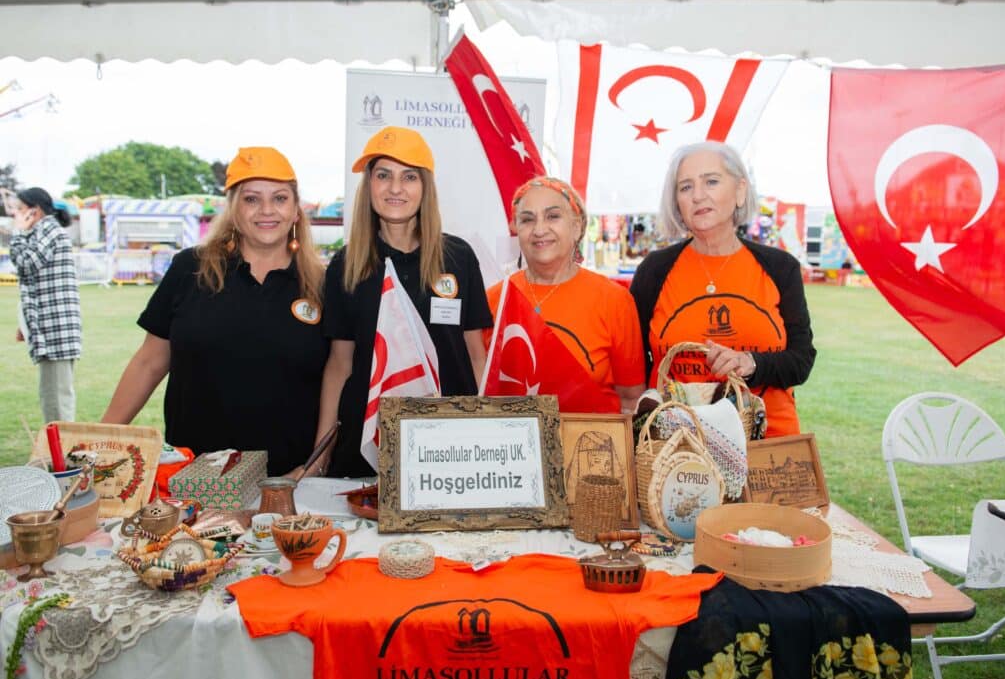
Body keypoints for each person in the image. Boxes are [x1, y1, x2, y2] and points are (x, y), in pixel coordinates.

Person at [102, 147, 328, 477]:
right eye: (251, 199)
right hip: (196, 475)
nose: (267, 210)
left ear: (296, 211)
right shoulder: (190, 269)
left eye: (280, 198)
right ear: (234, 210)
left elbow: (337, 377)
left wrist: (314, 465)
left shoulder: (321, 285)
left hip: (286, 482)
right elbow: (149, 361)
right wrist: (103, 439)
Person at [318, 126, 492, 477]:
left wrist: (485, 433)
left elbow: (476, 354)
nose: (395, 188)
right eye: (383, 175)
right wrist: (320, 452)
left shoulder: (457, 256)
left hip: (448, 445)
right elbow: (339, 365)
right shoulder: (346, 265)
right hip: (366, 445)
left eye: (409, 177)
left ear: (425, 187)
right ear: (369, 186)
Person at [630, 141, 815, 437]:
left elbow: (802, 361)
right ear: (676, 201)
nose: (698, 195)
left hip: (769, 447)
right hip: (680, 450)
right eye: (685, 187)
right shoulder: (655, 270)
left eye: (711, 181)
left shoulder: (780, 268)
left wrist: (751, 362)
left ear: (740, 190)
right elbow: (634, 363)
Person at [486, 177, 645, 413]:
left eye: (553, 216)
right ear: (515, 229)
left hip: (591, 446)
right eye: (527, 220)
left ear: (577, 226)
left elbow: (631, 400)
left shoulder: (614, 300)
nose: (539, 230)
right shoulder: (493, 301)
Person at [4, 187, 81, 422]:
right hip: (49, 326)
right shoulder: (44, 231)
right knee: (52, 395)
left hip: (55, 328)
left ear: (34, 211)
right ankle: (58, 450)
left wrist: (17, 233)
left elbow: (27, 264)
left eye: (20, 209)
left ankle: (61, 453)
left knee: (56, 399)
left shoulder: (49, 230)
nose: (16, 214)